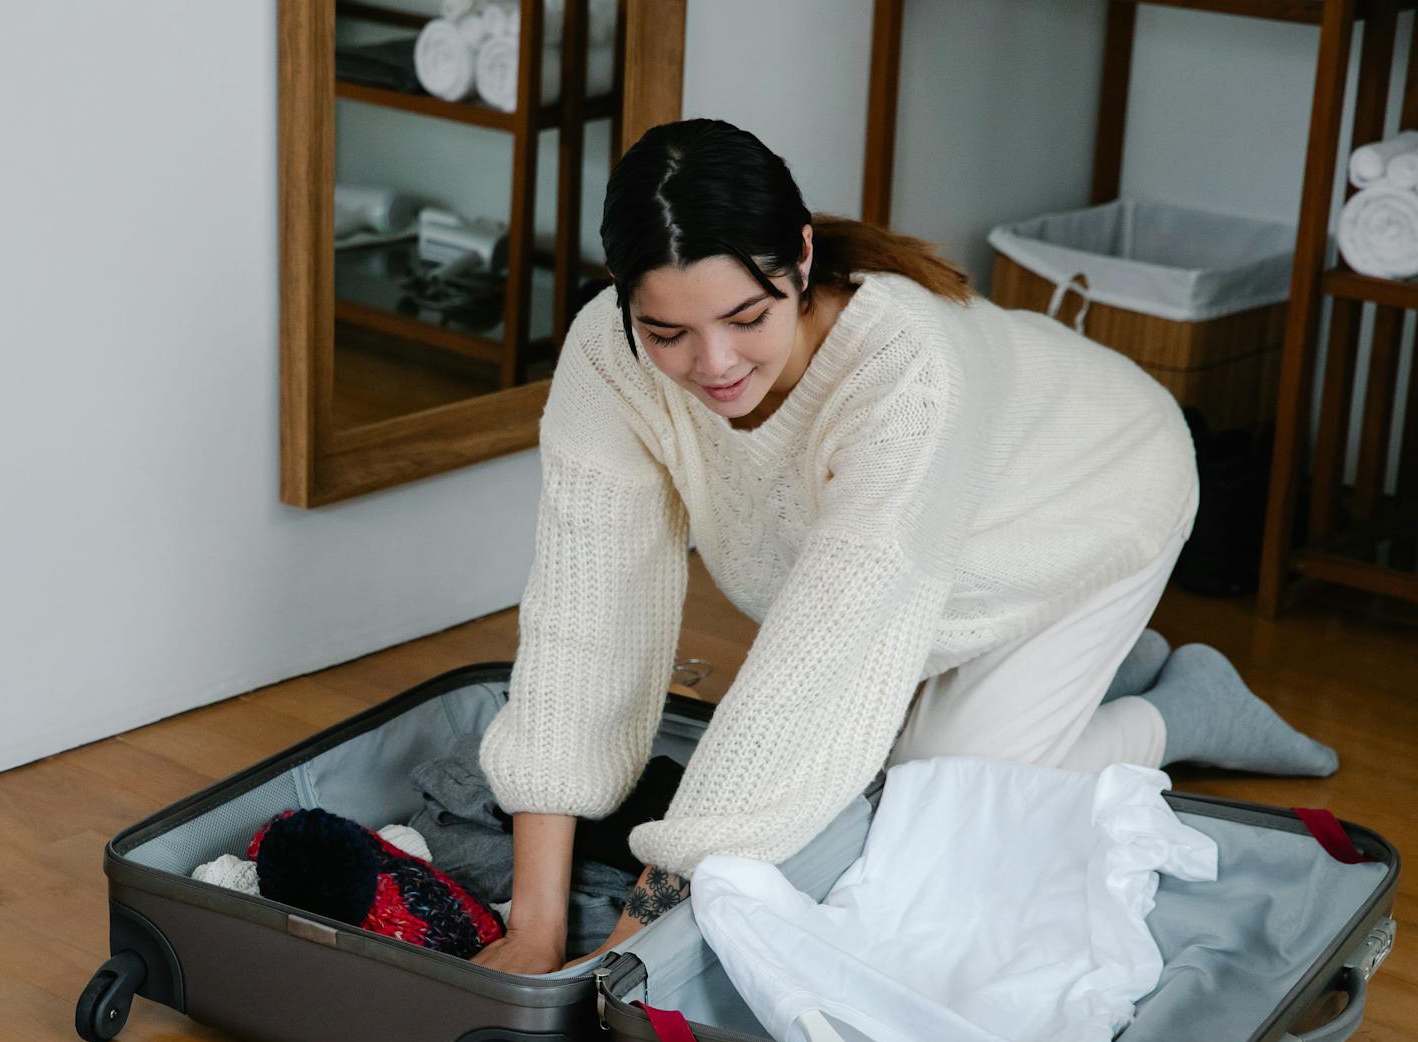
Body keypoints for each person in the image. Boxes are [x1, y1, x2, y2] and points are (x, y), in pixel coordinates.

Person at [469, 118, 1337, 975]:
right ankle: (1081, 667)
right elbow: (585, 620)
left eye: (747, 317)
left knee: (939, 803)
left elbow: (810, 674)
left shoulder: (906, 374)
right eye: (669, 334)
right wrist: (537, 926)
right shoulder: (606, 354)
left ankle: (1181, 704)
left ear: (800, 259)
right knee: (866, 772)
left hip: (1090, 491)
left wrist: (626, 957)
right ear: (623, 297)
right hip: (929, 552)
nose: (715, 363)